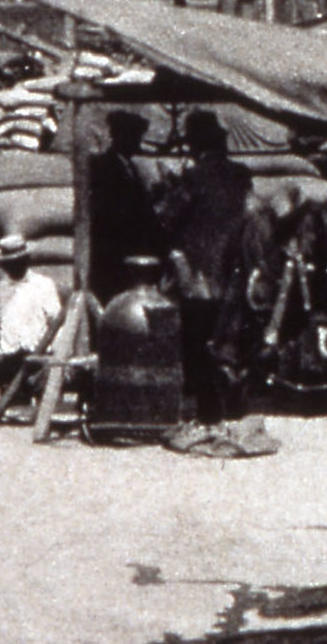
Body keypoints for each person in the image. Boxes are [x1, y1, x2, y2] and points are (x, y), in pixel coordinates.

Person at [158, 109, 256, 423]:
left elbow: (169, 218)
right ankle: (235, 402)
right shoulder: (241, 174)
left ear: (194, 144)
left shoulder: (193, 177)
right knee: (231, 335)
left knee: (198, 337)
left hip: (198, 271)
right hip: (234, 266)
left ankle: (207, 408)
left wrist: (164, 191)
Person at [88, 109, 163, 304]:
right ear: (120, 136)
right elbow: (109, 208)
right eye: (134, 137)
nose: (138, 143)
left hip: (125, 248)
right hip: (113, 250)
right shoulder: (104, 165)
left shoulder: (129, 166)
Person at [0, 234, 64, 394]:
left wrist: (58, 361)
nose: (14, 266)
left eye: (19, 261)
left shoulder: (44, 285)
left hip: (39, 360)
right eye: (9, 263)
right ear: (3, 265)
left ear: (27, 260)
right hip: (10, 363)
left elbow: (56, 324)